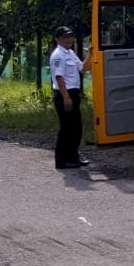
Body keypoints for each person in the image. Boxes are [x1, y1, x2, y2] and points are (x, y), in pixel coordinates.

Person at [49, 25, 91, 170]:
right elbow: (59, 77)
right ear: (57, 39)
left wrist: (90, 54)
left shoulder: (70, 53)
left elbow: (83, 69)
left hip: (73, 93)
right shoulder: (58, 55)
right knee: (66, 128)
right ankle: (61, 161)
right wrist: (66, 97)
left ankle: (73, 157)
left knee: (76, 128)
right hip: (64, 93)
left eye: (70, 37)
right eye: (65, 37)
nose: (69, 40)